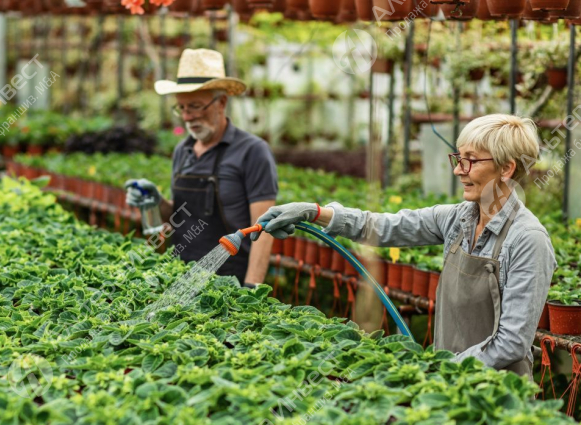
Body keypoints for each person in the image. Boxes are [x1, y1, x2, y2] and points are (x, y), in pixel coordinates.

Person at [252, 114, 556, 380]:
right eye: (458, 158)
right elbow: (383, 227)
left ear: (506, 169)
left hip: (497, 399)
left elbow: (512, 342)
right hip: (450, 385)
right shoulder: (457, 219)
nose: (458, 170)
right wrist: (317, 213)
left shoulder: (527, 240)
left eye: (471, 160)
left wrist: (441, 371)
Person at [125, 49, 278, 287]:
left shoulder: (252, 151)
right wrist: (156, 201)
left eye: (195, 106)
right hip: (180, 274)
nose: (187, 117)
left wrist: (251, 289)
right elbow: (179, 217)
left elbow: (264, 229)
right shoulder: (182, 150)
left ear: (222, 102)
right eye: (181, 108)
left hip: (229, 281)